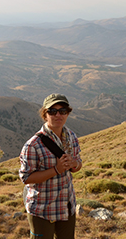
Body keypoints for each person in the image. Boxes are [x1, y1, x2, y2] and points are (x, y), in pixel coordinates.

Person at [19, 93, 82, 239]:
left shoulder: (71, 137)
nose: (58, 115)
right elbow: (26, 178)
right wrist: (56, 170)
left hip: (67, 206)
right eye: (52, 111)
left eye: (63, 111)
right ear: (45, 114)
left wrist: (74, 164)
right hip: (42, 210)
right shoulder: (33, 145)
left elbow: (78, 164)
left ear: (68, 113)